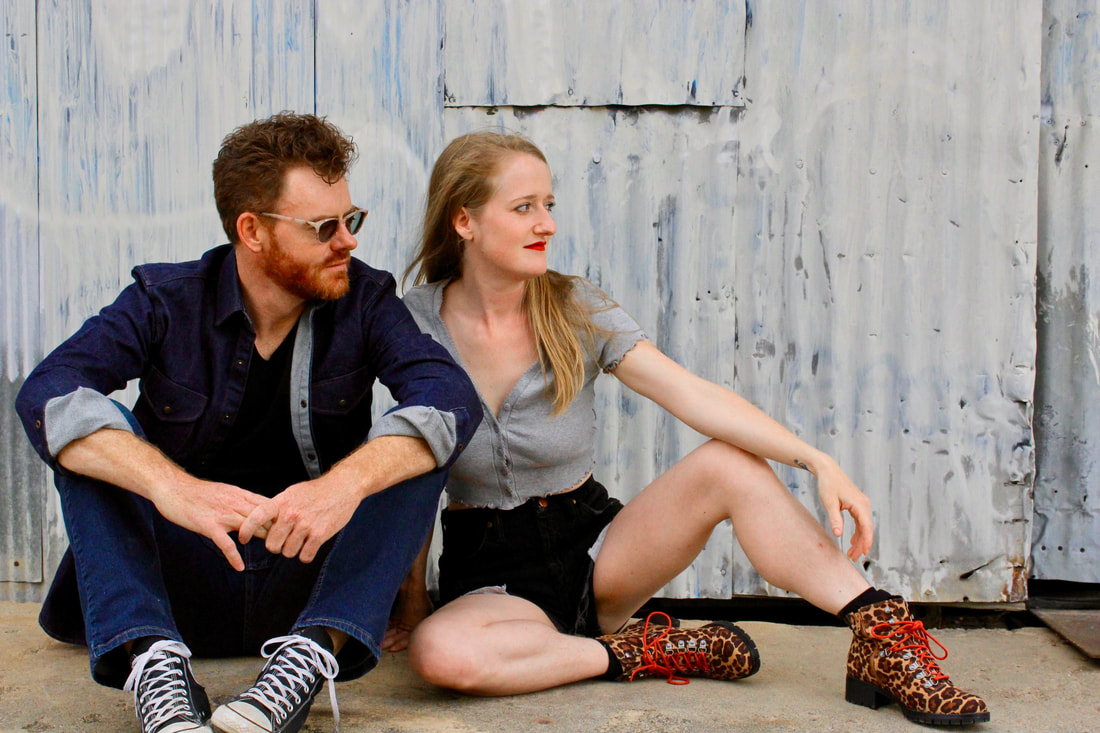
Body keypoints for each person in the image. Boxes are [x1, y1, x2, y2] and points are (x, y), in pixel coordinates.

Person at [389, 131, 990, 727]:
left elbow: (690, 393)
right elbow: (409, 467)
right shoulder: (413, 323)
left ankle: (883, 634)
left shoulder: (573, 306)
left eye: (549, 205)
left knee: (728, 463)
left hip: (598, 550)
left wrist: (814, 460)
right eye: (524, 208)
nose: (545, 223)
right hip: (492, 577)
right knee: (440, 655)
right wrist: (412, 602)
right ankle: (642, 650)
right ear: (464, 221)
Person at [14, 112, 482, 733]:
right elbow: (48, 391)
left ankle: (307, 662)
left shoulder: (366, 300)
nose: (348, 241)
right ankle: (155, 668)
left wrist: (339, 489)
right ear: (252, 230)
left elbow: (450, 396)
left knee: (418, 438)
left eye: (351, 220)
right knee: (89, 434)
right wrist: (173, 489)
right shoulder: (165, 300)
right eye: (324, 227)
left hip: (309, 582)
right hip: (180, 585)